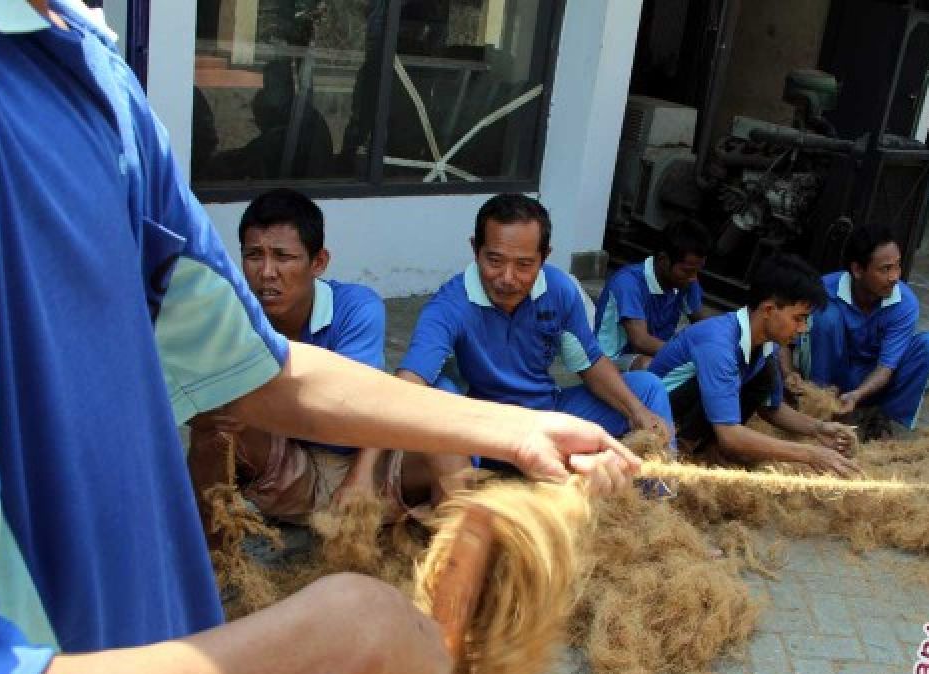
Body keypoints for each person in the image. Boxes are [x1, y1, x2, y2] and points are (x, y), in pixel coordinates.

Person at [0, 4, 639, 674]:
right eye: (259, 257)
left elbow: (260, 367)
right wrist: (334, 636)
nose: (269, 271)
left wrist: (512, 428)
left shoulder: (89, 70)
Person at [187, 188, 468, 541]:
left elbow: (356, 403)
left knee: (442, 416)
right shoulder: (230, 317)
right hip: (291, 471)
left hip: (369, 469)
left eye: (283, 256)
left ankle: (457, 560)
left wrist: (361, 476)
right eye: (254, 256)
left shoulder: (356, 308)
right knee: (212, 422)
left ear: (318, 262)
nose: (267, 272)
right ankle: (215, 562)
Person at [397, 193, 675, 449]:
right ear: (475, 249)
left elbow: (589, 364)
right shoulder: (449, 305)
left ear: (544, 257)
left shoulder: (559, 290)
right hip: (484, 431)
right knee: (440, 396)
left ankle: (661, 493)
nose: (507, 278)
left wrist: (639, 414)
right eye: (494, 260)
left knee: (648, 390)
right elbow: (408, 384)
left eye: (524, 264)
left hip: (546, 415)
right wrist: (365, 469)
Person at [648, 254, 860, 476]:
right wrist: (810, 454)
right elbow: (729, 435)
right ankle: (681, 453)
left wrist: (818, 428)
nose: (803, 328)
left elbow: (771, 408)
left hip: (699, 420)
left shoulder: (767, 347)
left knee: (762, 378)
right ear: (768, 310)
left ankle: (702, 453)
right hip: (654, 423)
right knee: (725, 390)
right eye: (798, 318)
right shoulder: (718, 344)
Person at [780, 223, 929, 435]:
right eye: (885, 269)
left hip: (873, 379)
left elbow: (886, 367)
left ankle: (886, 422)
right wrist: (788, 374)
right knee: (824, 316)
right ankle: (818, 406)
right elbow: (783, 338)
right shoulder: (823, 288)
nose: (895, 276)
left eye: (897, 266)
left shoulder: (905, 303)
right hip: (830, 373)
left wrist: (857, 395)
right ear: (858, 270)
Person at [593, 217, 716, 371]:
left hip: (656, 353)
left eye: (698, 270)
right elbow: (640, 341)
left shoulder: (686, 281)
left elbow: (701, 322)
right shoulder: (628, 283)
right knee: (650, 366)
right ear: (663, 260)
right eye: (688, 270)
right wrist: (691, 354)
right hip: (609, 362)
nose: (694, 278)